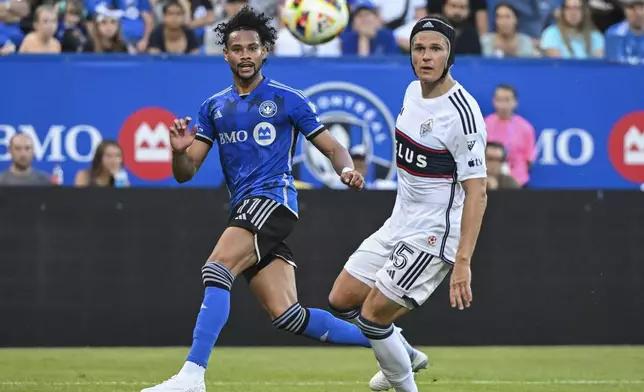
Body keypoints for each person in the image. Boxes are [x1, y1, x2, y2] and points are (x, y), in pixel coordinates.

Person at [141, 7, 375, 392]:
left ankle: (192, 376)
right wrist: (178, 152)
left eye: (253, 48)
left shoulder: (287, 99)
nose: (246, 55)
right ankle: (389, 341)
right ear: (226, 55)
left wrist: (345, 169)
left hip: (274, 199)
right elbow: (185, 174)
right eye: (238, 49)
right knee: (288, 315)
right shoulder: (214, 106)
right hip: (245, 208)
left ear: (265, 52)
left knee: (216, 270)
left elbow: (333, 147)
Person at [327, 16, 488, 392]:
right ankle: (404, 352)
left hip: (434, 233)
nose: (426, 57)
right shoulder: (412, 92)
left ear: (450, 56)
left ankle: (403, 383)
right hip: (400, 222)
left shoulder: (461, 114)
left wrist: (462, 261)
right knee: (341, 299)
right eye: (419, 48)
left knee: (372, 316)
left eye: (436, 49)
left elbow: (477, 192)